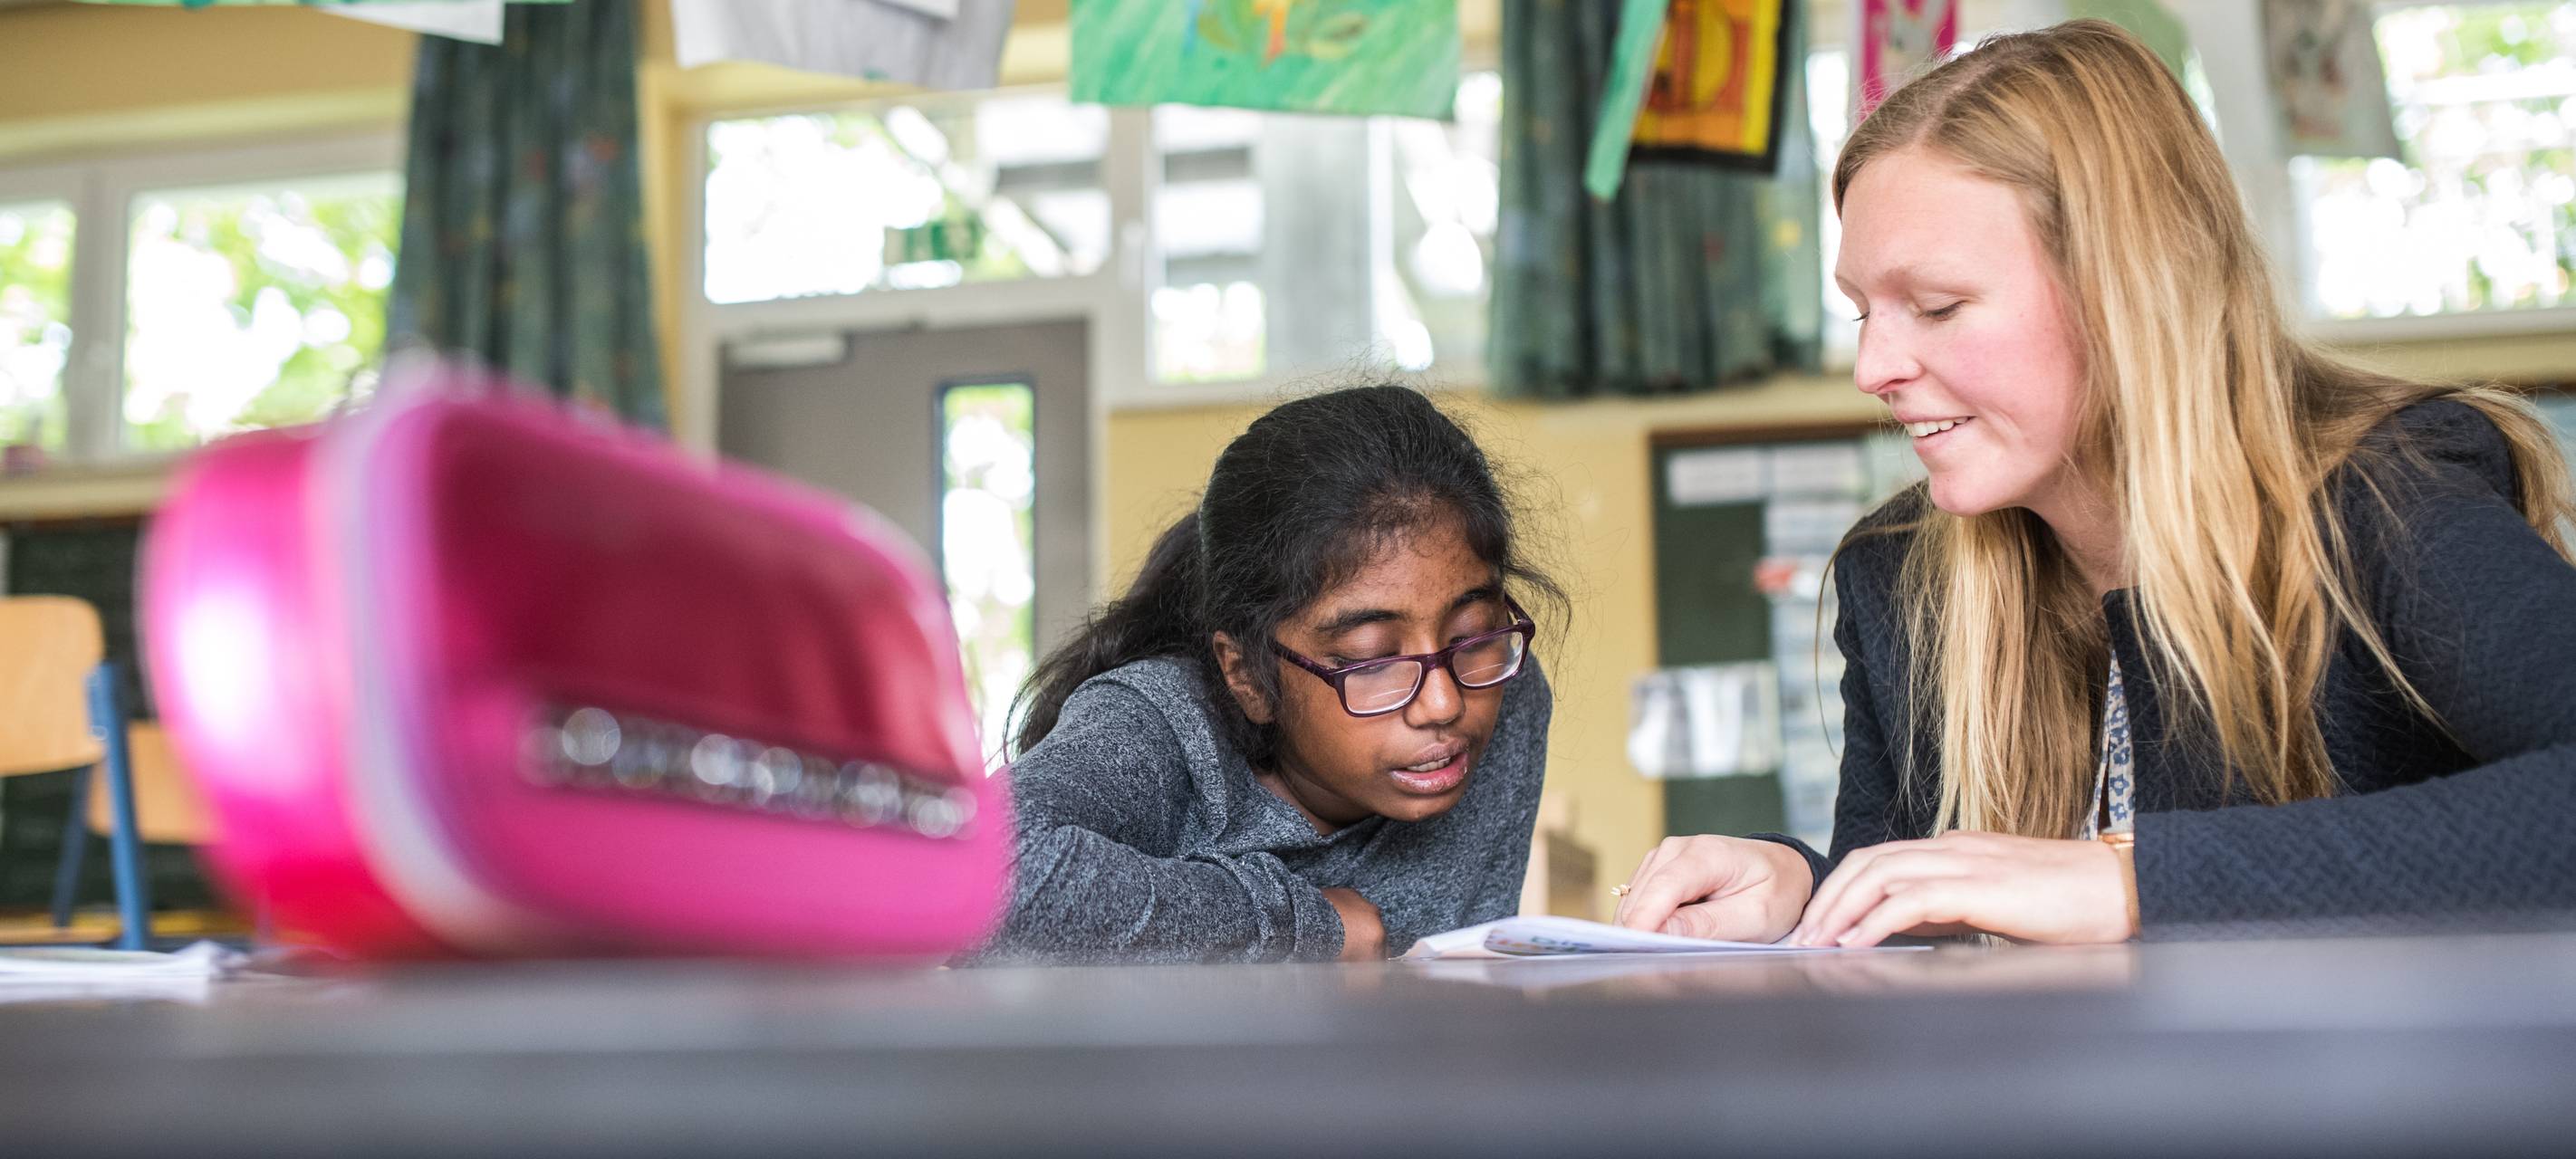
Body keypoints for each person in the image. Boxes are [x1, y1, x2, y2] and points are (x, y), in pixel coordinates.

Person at [1616, 19, 2576, 948]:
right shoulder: (1899, 574)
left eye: (1938, 305)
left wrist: (2134, 878)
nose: (1873, 368)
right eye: (1865, 310)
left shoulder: (2383, 497)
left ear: (2130, 289)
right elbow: (1931, 906)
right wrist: (1806, 886)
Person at [972, 385, 1559, 964]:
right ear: (1248, 675)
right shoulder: (1162, 719)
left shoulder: (1503, 687)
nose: (1442, 703)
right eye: (1373, 657)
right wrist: (1301, 926)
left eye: (1470, 634)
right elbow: (975, 873)